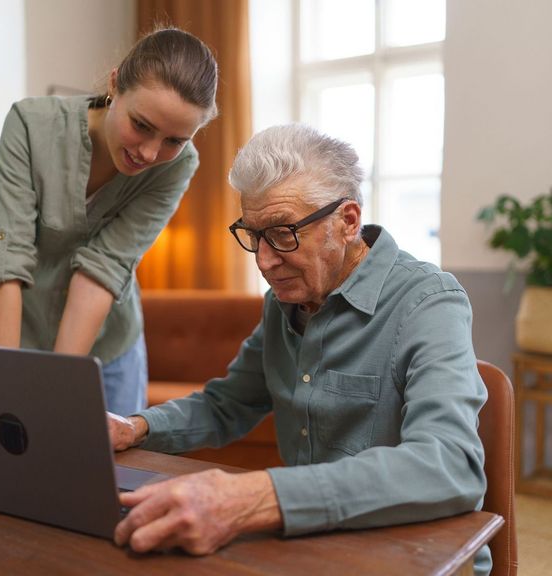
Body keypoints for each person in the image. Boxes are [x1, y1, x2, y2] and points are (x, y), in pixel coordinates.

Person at [108, 123, 491, 575]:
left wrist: (257, 497)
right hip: (311, 547)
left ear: (347, 221)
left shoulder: (429, 303)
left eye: (283, 233)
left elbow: (450, 466)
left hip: (416, 554)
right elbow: (225, 405)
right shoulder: (283, 303)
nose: (265, 261)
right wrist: (136, 428)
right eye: (253, 235)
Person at [0, 28, 218, 416]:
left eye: (174, 140)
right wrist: (4, 395)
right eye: (142, 125)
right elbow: (5, 263)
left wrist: (60, 391)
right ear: (115, 85)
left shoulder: (179, 166)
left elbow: (101, 271)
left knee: (108, 473)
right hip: (5, 330)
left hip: (106, 348)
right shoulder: (31, 125)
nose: (150, 153)